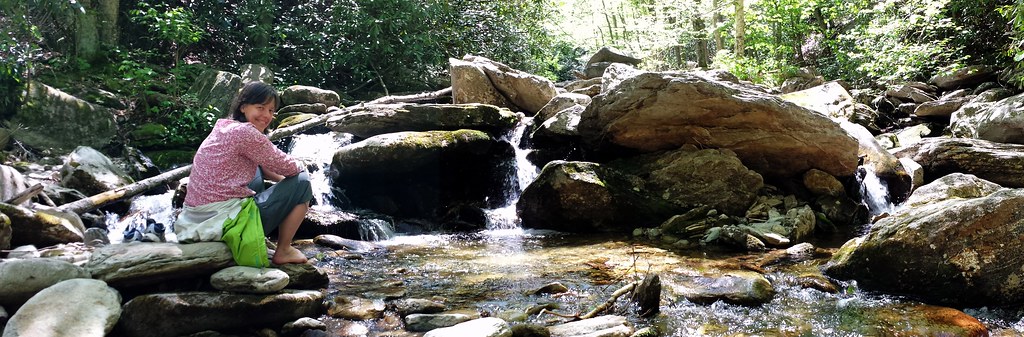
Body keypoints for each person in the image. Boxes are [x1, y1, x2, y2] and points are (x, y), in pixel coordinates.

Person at [174, 81, 312, 265]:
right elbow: (292, 168)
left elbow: (268, 166)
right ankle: (284, 250)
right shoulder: (246, 134)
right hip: (223, 220)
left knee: (256, 168)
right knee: (303, 181)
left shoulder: (224, 127)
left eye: (271, 111)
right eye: (260, 107)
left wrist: (284, 185)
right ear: (243, 107)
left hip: (194, 217)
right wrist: (296, 188)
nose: (266, 115)